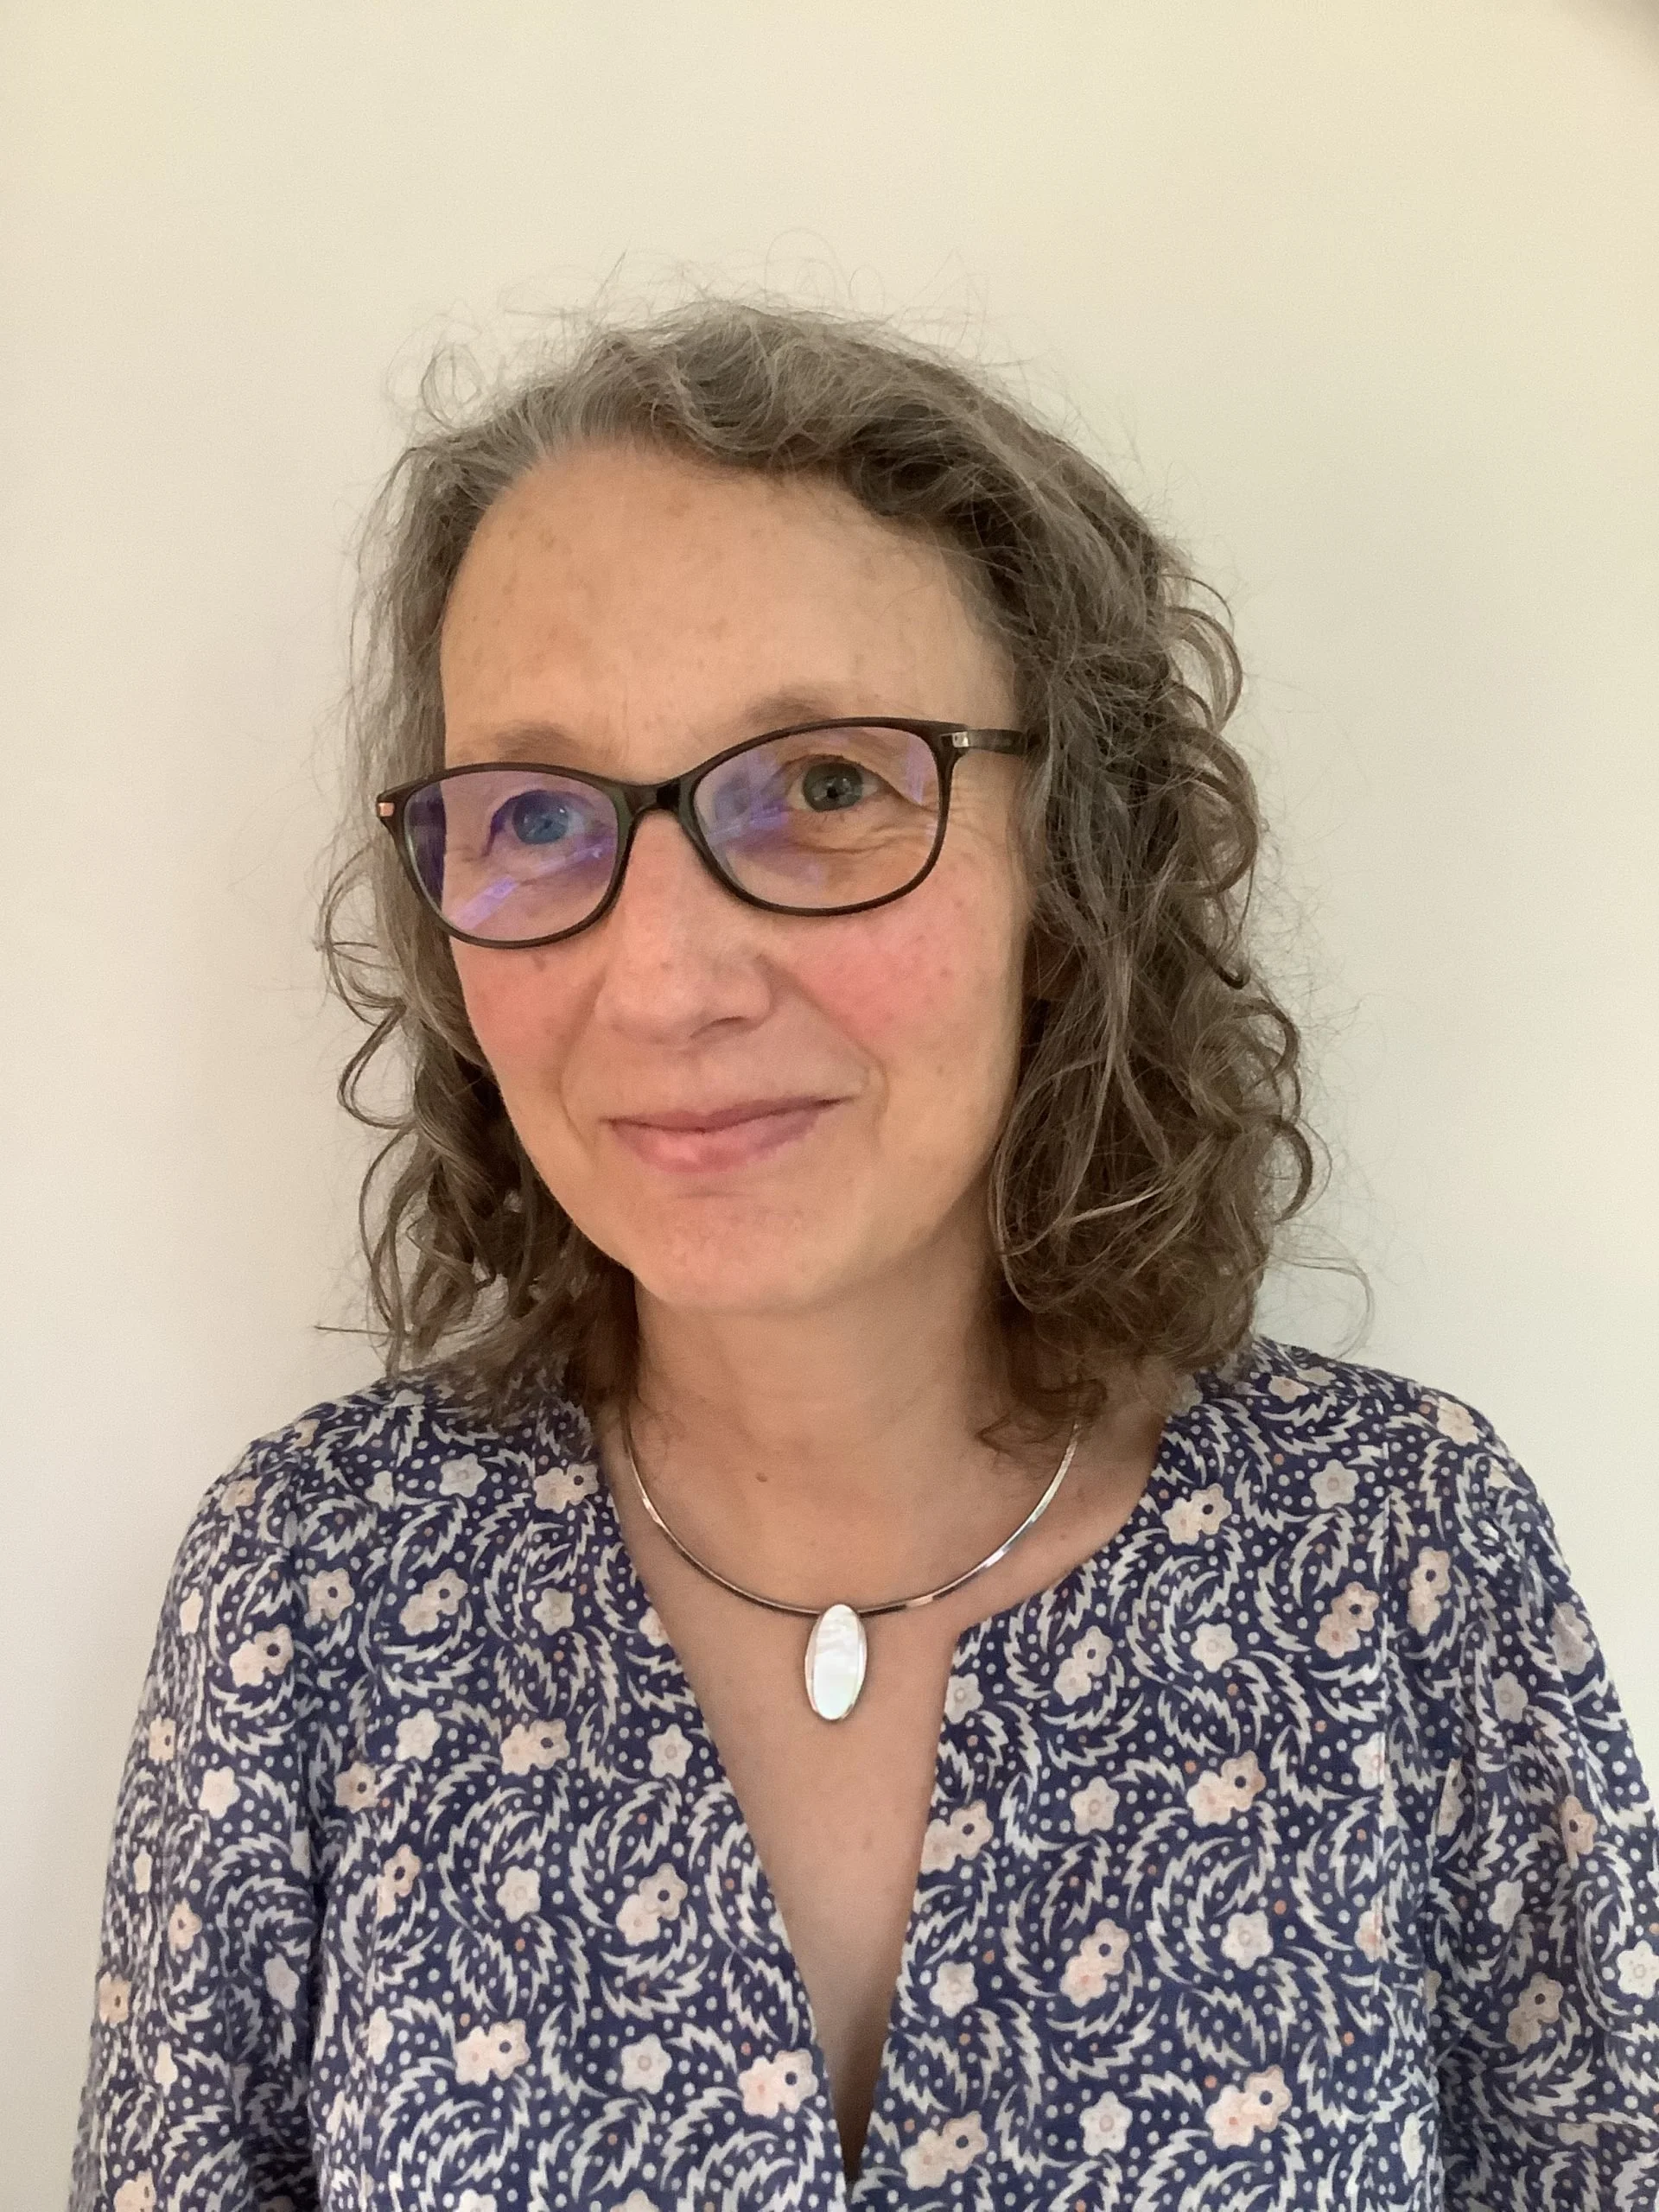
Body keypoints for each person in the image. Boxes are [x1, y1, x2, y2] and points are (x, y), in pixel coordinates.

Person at [72, 302, 1658, 2211]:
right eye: (542, 816)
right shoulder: (308, 1593)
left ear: (1072, 874)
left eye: (827, 787)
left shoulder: (1399, 1552)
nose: (659, 977)